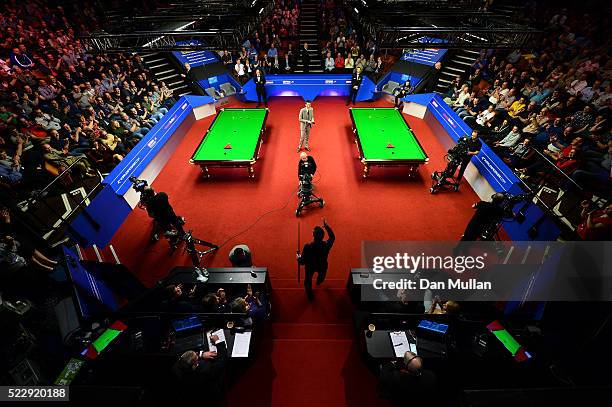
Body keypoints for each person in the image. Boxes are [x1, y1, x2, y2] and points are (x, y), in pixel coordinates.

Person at [171, 334, 228, 403]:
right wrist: (217, 341)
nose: (197, 353)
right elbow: (222, 361)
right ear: (195, 364)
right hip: (209, 393)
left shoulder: (175, 367)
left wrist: (201, 355)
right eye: (197, 356)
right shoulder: (205, 370)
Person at [297, 219, 335, 300]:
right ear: (323, 236)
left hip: (310, 267)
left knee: (308, 280)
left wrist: (298, 256)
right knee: (322, 275)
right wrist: (327, 227)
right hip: (322, 265)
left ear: (313, 235)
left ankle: (310, 295)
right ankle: (319, 281)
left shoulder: (307, 247)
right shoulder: (326, 245)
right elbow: (332, 237)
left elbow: (302, 262)